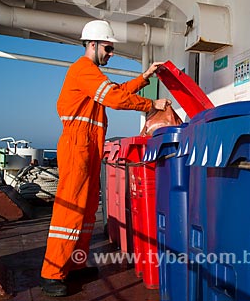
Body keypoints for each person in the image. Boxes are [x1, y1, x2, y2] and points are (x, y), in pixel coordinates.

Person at [40, 20, 171, 297]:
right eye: (108, 48)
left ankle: (75, 264)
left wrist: (145, 76)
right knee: (70, 210)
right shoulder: (83, 70)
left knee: (87, 211)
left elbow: (118, 91)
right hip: (78, 144)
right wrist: (152, 104)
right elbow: (114, 98)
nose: (111, 54)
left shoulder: (92, 75)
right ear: (93, 44)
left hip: (89, 145)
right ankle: (52, 273)